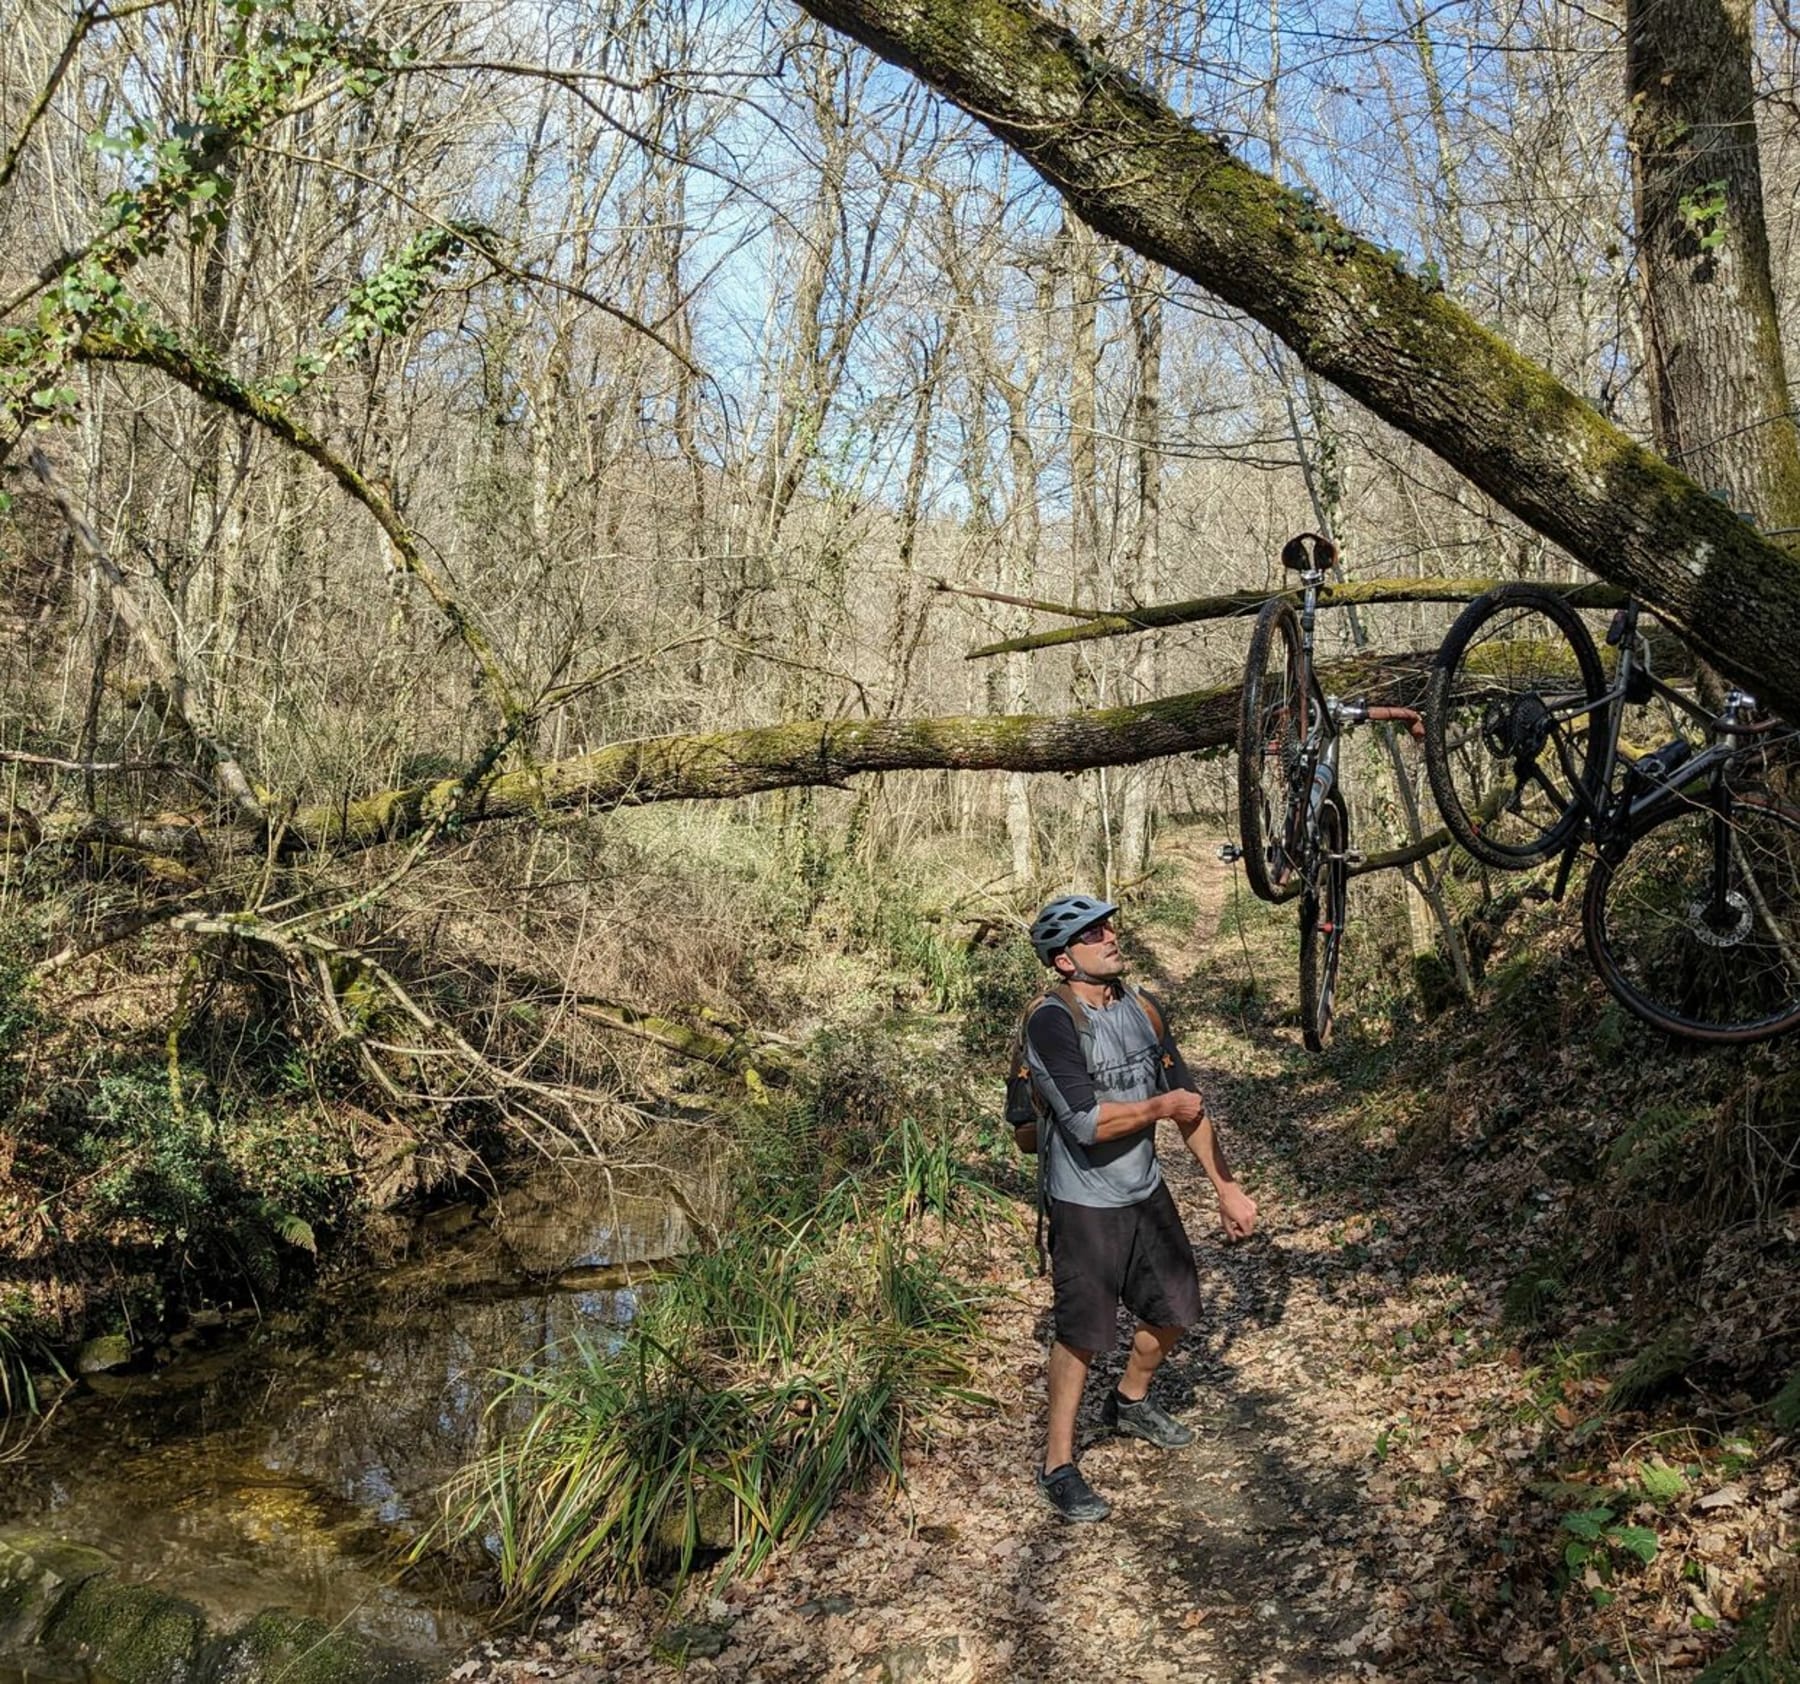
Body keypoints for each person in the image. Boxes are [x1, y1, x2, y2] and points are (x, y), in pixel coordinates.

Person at [1022, 893, 1258, 1522]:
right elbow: (1085, 1122)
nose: (1110, 936)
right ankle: (1058, 1465)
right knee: (1081, 1337)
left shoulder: (1141, 1008)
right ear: (1065, 959)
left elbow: (1191, 1103)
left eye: (1107, 926)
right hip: (1084, 1202)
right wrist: (1160, 1109)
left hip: (1144, 1189)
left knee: (1177, 1309)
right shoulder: (1050, 1021)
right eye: (1092, 933)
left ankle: (1129, 1402)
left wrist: (1224, 1187)